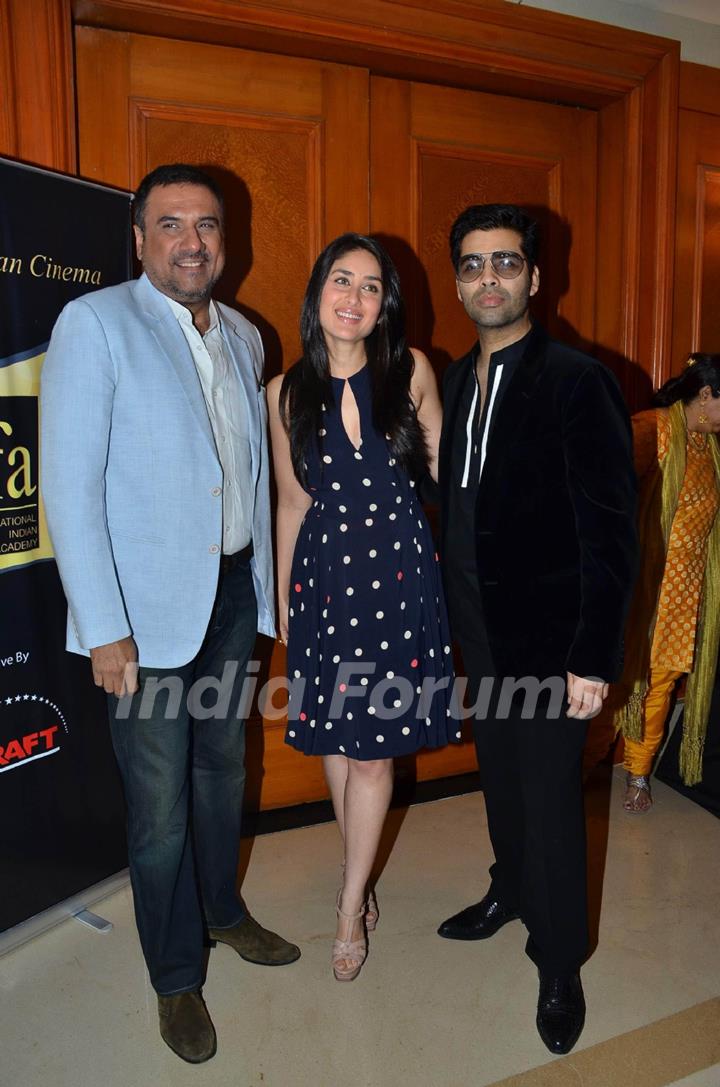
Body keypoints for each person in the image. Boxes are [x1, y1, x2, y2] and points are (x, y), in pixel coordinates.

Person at [41, 163, 299, 1065]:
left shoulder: (246, 336)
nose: (194, 241)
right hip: (143, 617)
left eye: (209, 225)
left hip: (230, 594)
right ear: (141, 238)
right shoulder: (95, 323)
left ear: (226, 240)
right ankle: (174, 976)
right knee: (158, 808)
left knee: (223, 773)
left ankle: (223, 912)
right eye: (173, 224)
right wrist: (104, 625)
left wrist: (267, 592)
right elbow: (69, 489)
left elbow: (251, 476)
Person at [436, 204, 637, 1054]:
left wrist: (593, 655)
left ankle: (559, 960)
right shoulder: (453, 378)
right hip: (479, 629)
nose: (490, 278)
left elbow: (611, 532)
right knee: (502, 776)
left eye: (506, 263)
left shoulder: (577, 381)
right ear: (457, 281)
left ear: (536, 277)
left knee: (552, 800)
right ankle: (508, 886)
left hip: (554, 642)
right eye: (475, 265)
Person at [268, 232, 457, 982]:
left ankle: (350, 906)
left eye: (371, 286)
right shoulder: (285, 390)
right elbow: (290, 502)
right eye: (341, 280)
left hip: (398, 575)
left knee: (375, 748)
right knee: (338, 742)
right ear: (319, 293)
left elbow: (446, 470)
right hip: (324, 582)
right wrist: (285, 600)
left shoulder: (410, 370)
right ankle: (359, 869)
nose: (354, 296)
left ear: (386, 306)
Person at [615, 353, 720, 813]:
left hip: (687, 589)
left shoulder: (712, 447)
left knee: (662, 681)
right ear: (705, 396)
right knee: (616, 680)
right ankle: (574, 771)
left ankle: (638, 772)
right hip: (642, 583)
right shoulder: (651, 429)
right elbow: (607, 495)